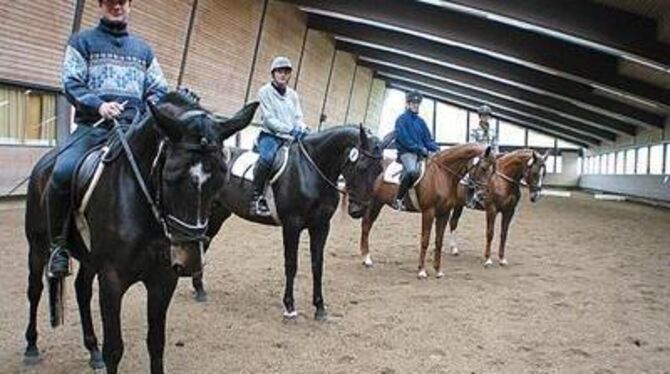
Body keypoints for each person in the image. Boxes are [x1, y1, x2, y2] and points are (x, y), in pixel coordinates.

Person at [47, 0, 168, 278]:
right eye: (110, 2)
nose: (117, 6)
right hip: (94, 127)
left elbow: (159, 90)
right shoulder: (82, 42)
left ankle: (168, 239)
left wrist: (144, 110)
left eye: (121, 2)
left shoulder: (144, 50)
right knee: (62, 172)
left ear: (130, 6)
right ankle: (58, 248)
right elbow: (71, 82)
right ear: (100, 5)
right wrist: (99, 105)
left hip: (133, 130)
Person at [251, 56, 308, 216]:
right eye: (280, 72)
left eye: (286, 72)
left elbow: (298, 117)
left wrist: (302, 128)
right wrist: (290, 130)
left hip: (290, 138)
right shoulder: (264, 92)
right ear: (273, 73)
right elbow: (269, 120)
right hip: (271, 136)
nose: (283, 75)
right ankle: (256, 197)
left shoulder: (293, 95)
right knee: (267, 159)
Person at [393, 90, 439, 210]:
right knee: (412, 172)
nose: (416, 105)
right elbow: (404, 139)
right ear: (407, 104)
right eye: (413, 103)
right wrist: (419, 149)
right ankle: (398, 199)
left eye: (417, 103)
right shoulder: (401, 120)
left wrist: (437, 148)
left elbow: (428, 140)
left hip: (421, 153)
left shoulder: (421, 122)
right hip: (407, 153)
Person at [465, 104, 497, 209]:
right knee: (473, 167)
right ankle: (470, 190)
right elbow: (472, 143)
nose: (485, 118)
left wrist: (495, 155)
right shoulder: (474, 130)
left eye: (487, 116)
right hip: (478, 154)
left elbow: (495, 145)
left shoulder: (493, 131)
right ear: (480, 117)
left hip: (490, 156)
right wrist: (481, 154)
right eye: (483, 116)